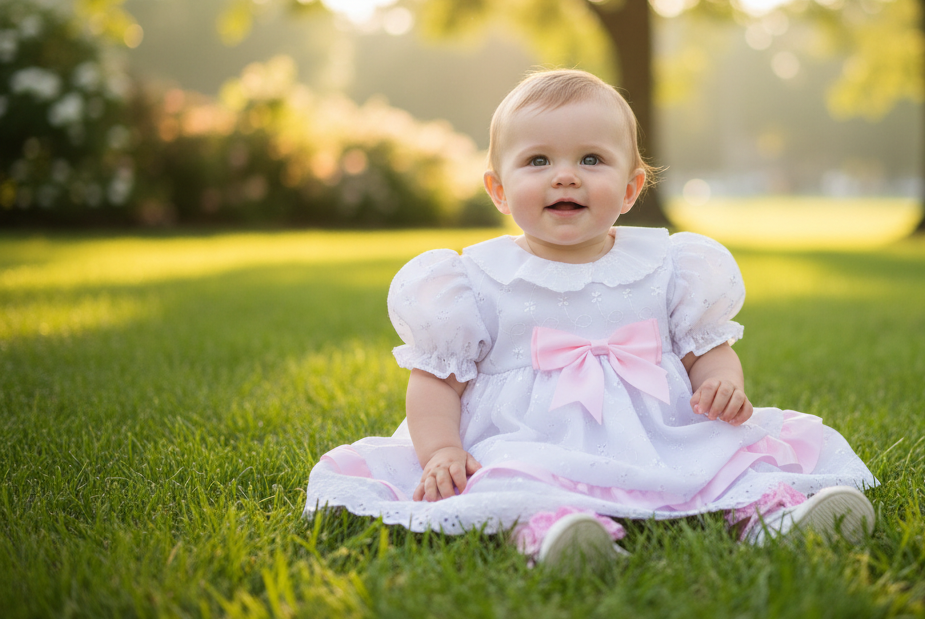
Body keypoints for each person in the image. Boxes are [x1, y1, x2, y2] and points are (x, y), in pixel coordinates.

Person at [305, 69, 877, 567]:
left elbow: (705, 347)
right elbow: (436, 381)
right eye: (538, 161)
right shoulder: (474, 280)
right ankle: (553, 531)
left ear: (630, 188)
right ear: (499, 190)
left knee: (726, 457)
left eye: (591, 159)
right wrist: (442, 451)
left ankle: (771, 517)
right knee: (511, 472)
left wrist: (722, 383)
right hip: (530, 433)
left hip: (657, 429)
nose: (565, 176)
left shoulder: (669, 264)